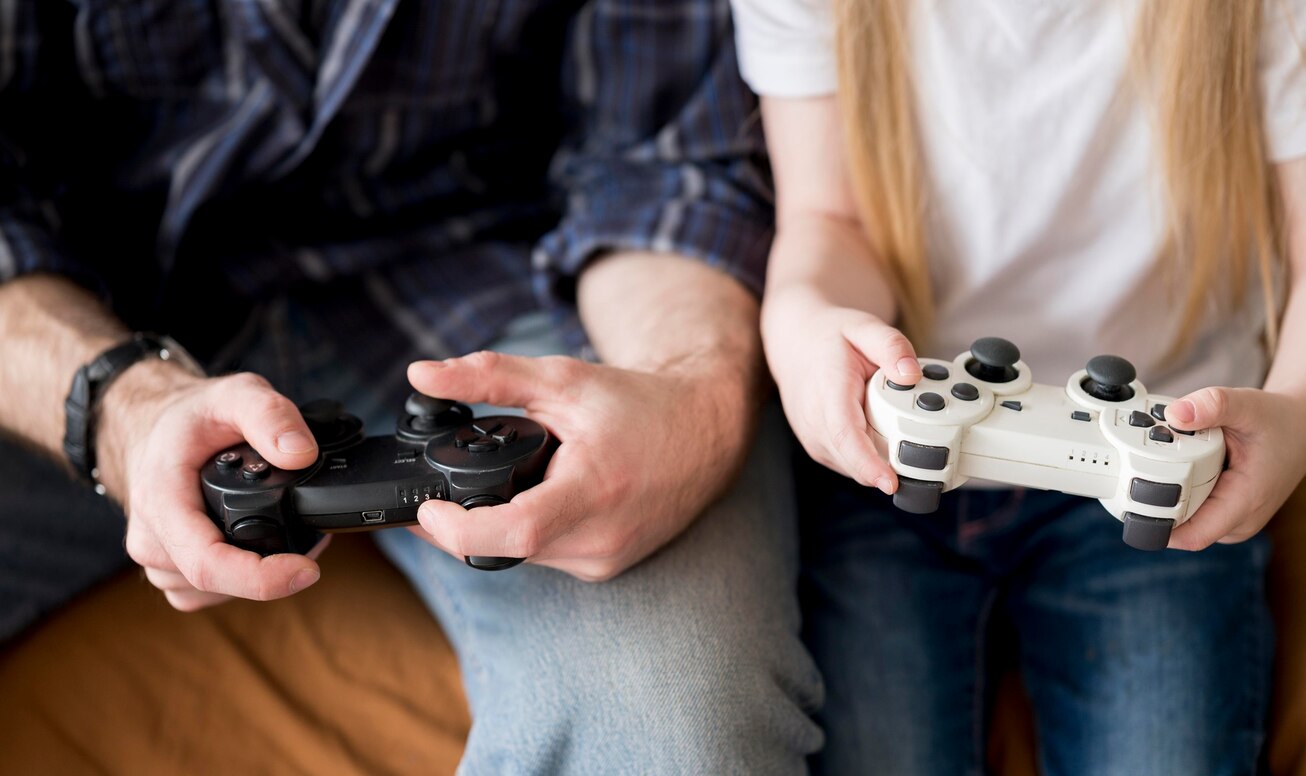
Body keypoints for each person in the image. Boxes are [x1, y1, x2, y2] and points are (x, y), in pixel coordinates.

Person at [0, 2, 823, 772]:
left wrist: (686, 393)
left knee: (675, 718)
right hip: (78, 310)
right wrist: (121, 406)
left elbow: (664, 157)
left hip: (479, 277)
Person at [728, 0, 1306, 772]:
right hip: (896, 459)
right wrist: (804, 318)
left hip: (1163, 470)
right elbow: (829, 219)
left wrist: (1300, 415)